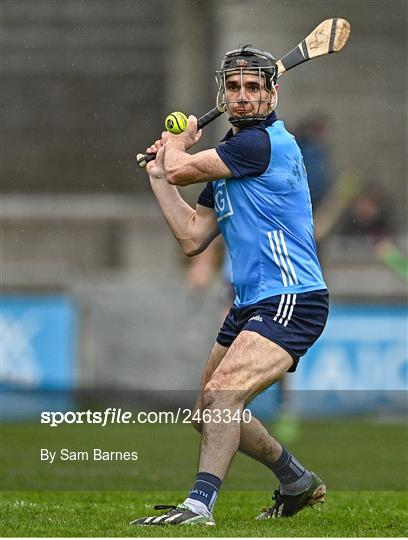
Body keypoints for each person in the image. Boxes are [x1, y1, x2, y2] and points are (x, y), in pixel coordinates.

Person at [131, 45, 329, 526]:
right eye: (234, 87)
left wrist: (178, 145)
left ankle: (198, 506)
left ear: (271, 94)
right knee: (207, 412)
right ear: (224, 91)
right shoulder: (229, 161)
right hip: (251, 302)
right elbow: (192, 237)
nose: (242, 97)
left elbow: (183, 165)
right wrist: (161, 177)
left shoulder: (259, 145)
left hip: (292, 298)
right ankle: (296, 480)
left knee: (223, 395)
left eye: (253, 88)